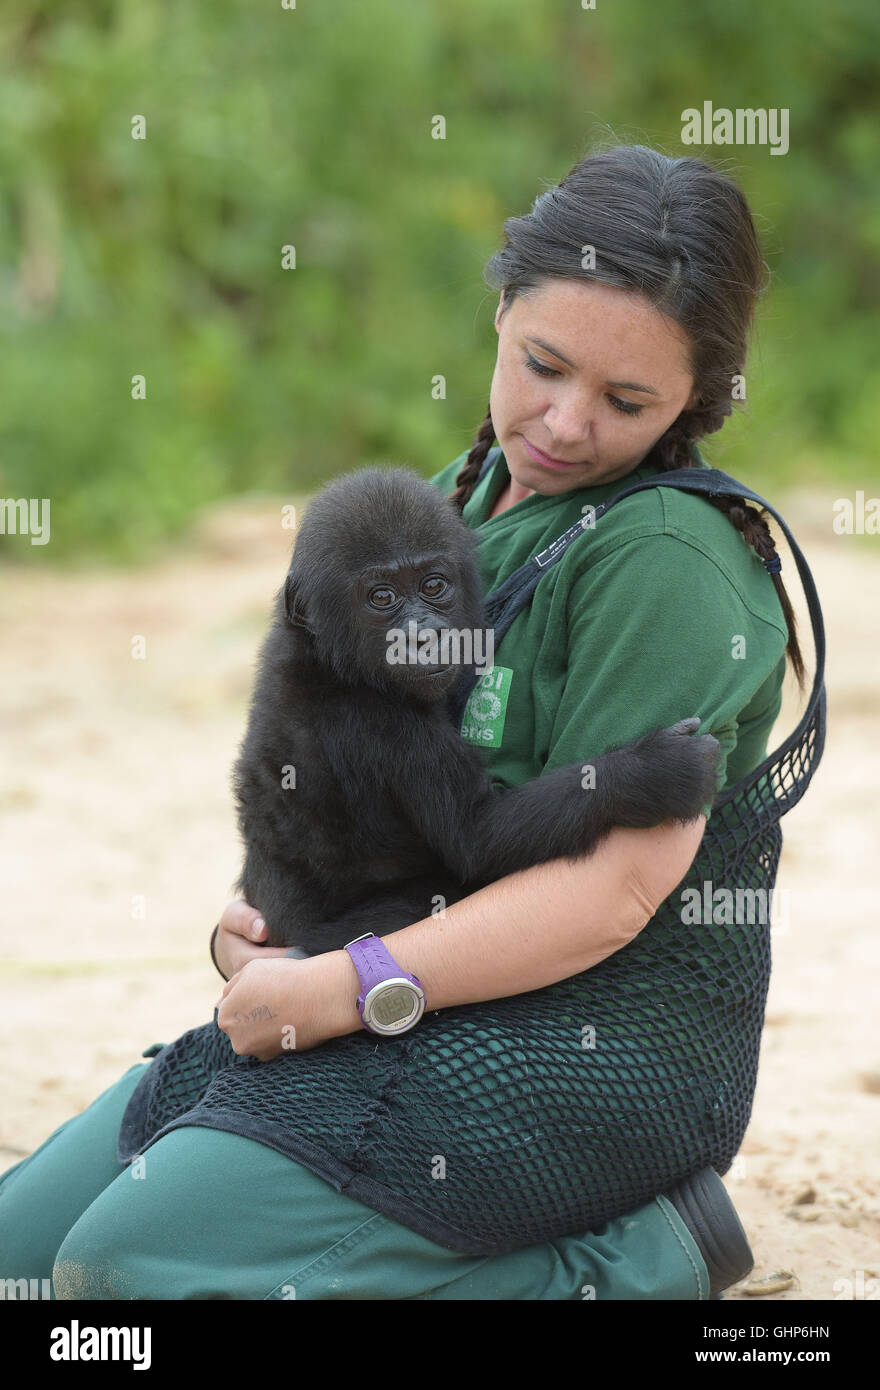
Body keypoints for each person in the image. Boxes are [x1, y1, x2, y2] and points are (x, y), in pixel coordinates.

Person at [0, 144, 806, 1300]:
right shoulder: (444, 510)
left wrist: (342, 985)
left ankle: (623, 1258)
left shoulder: (665, 558)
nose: (566, 425)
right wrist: (269, 931)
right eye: (542, 365)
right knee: (21, 1268)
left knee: (125, 1272)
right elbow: (324, 755)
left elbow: (611, 892)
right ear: (501, 313)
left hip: (573, 1051)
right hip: (387, 983)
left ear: (697, 400)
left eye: (626, 401)